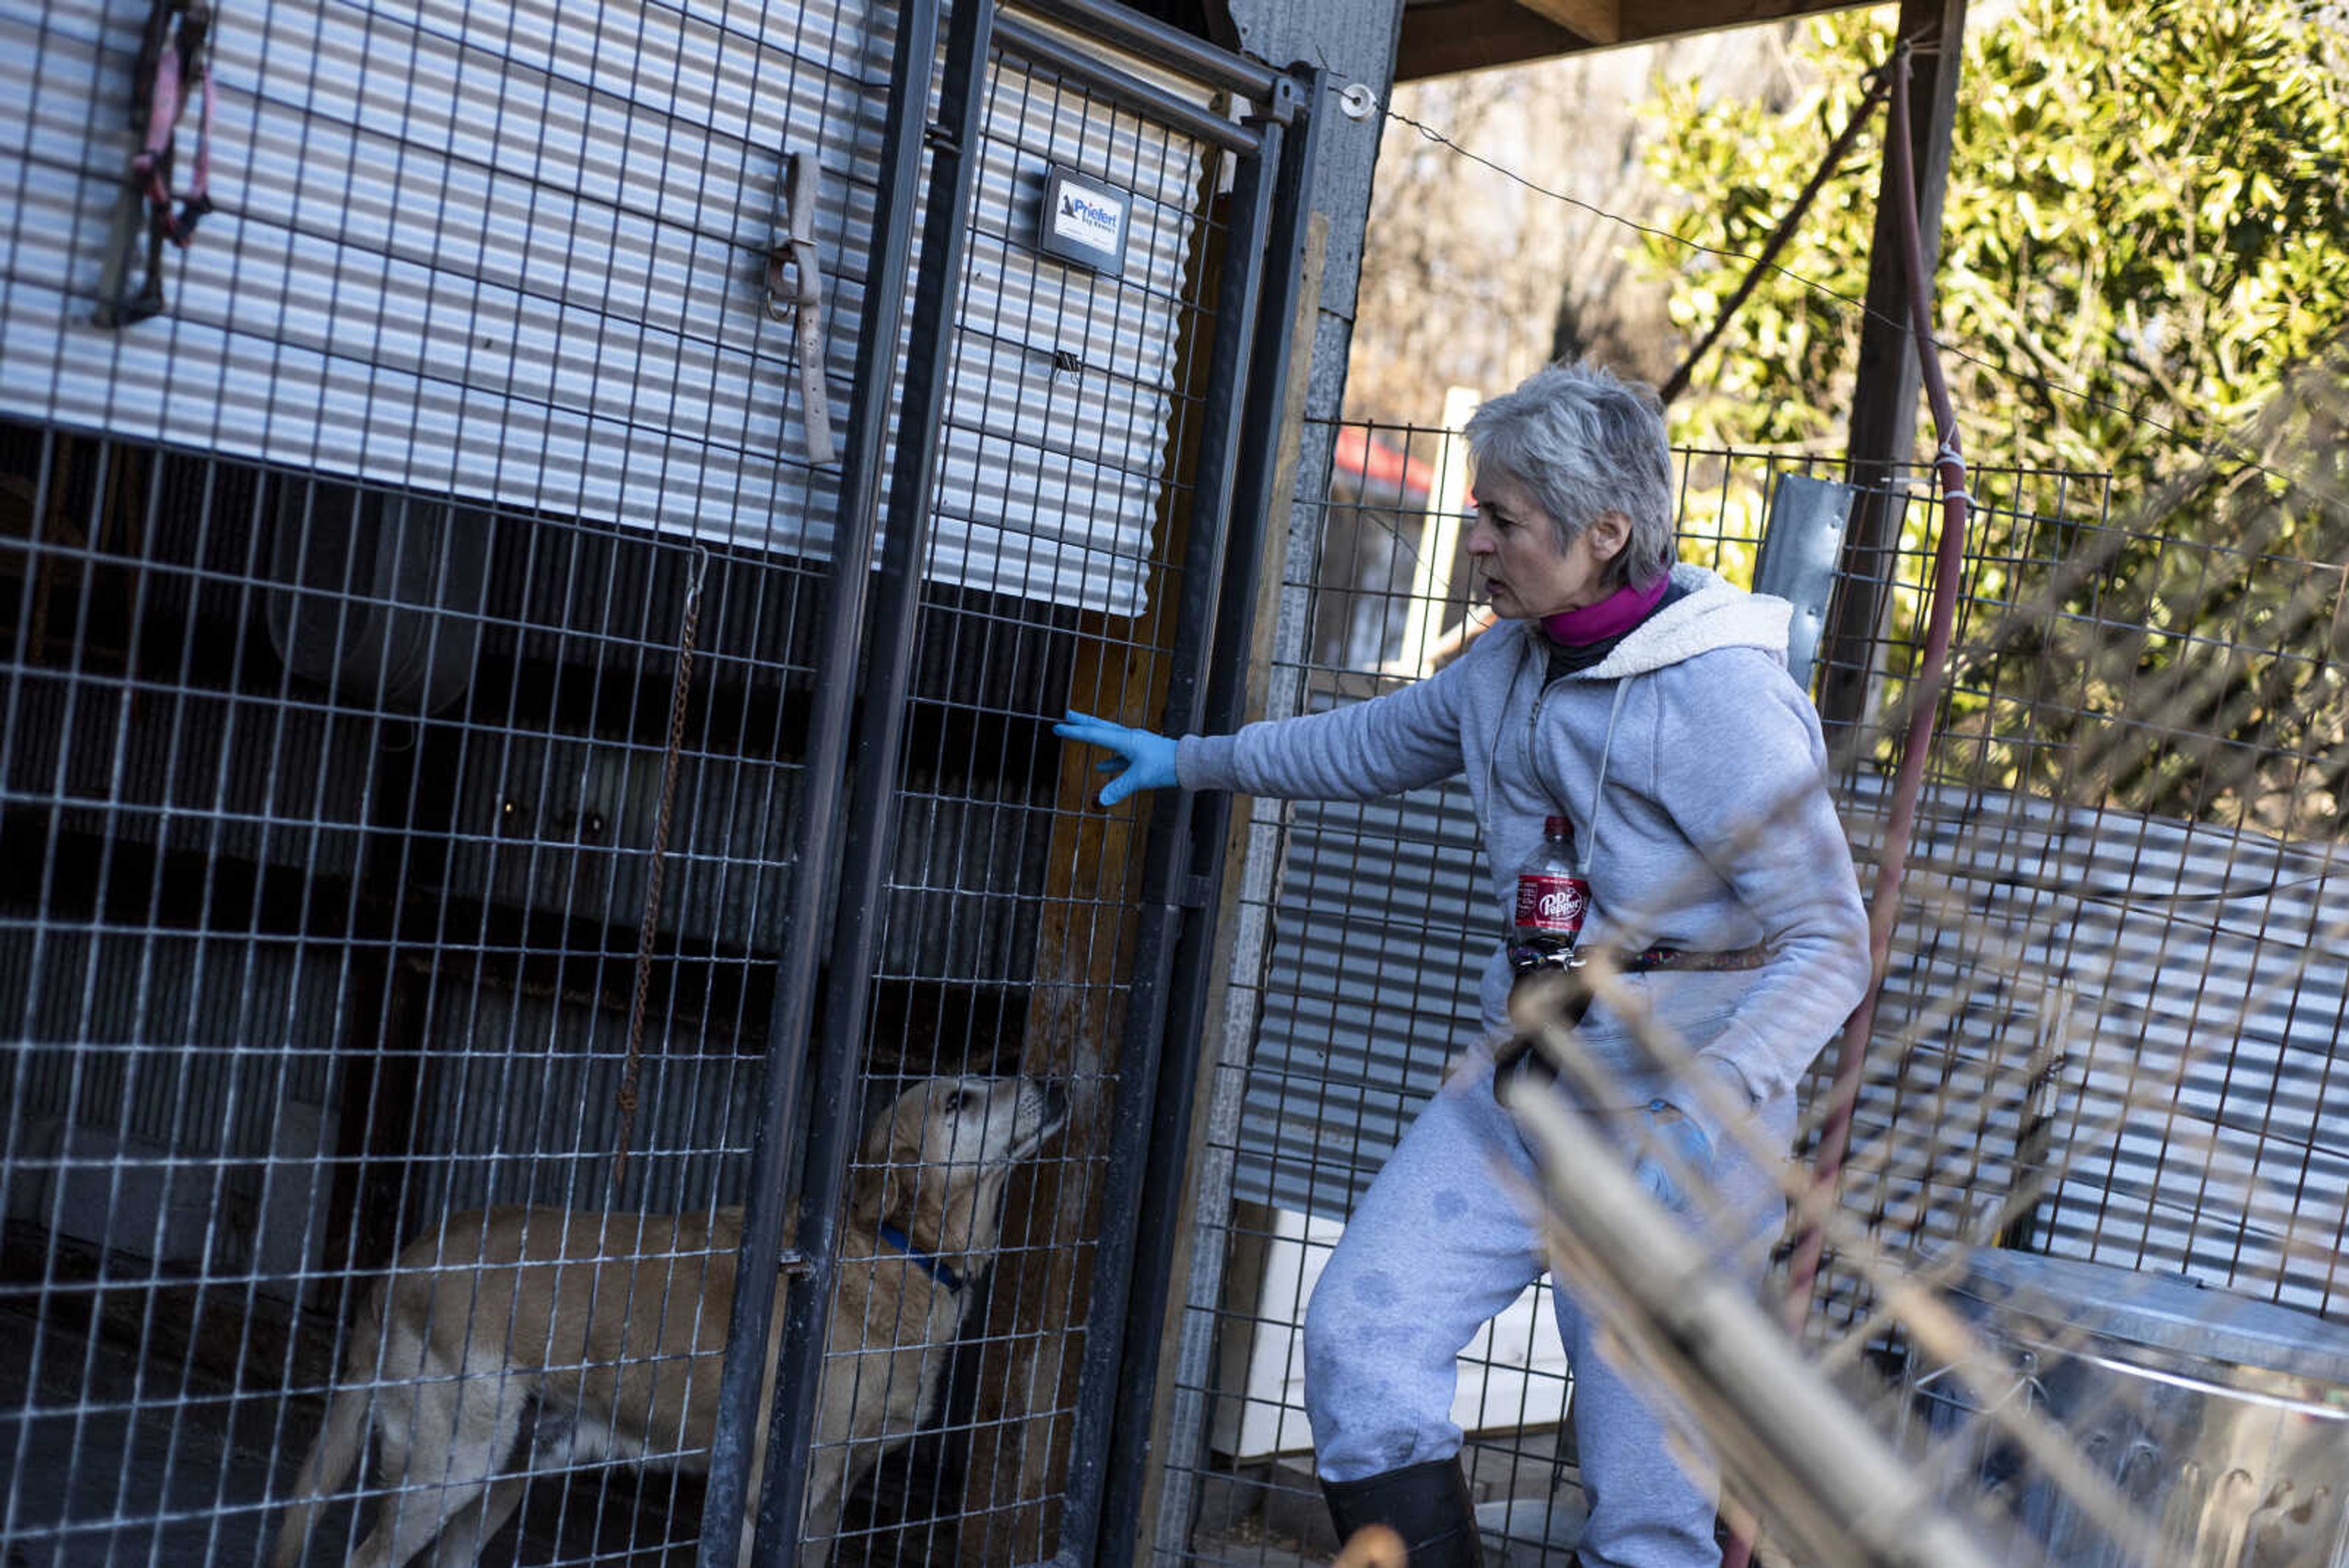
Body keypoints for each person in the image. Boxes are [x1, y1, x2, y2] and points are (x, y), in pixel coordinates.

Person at [1055, 362, 1871, 1568]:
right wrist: (1193, 759)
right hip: (1531, 1076)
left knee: (1647, 1479)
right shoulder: (1507, 664)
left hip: (1681, 1110)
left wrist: (1716, 1106)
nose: (1474, 539)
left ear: (1606, 533)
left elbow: (1831, 941)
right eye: (1478, 510)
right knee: (1360, 1337)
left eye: (1503, 519)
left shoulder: (1723, 700)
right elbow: (1370, 742)